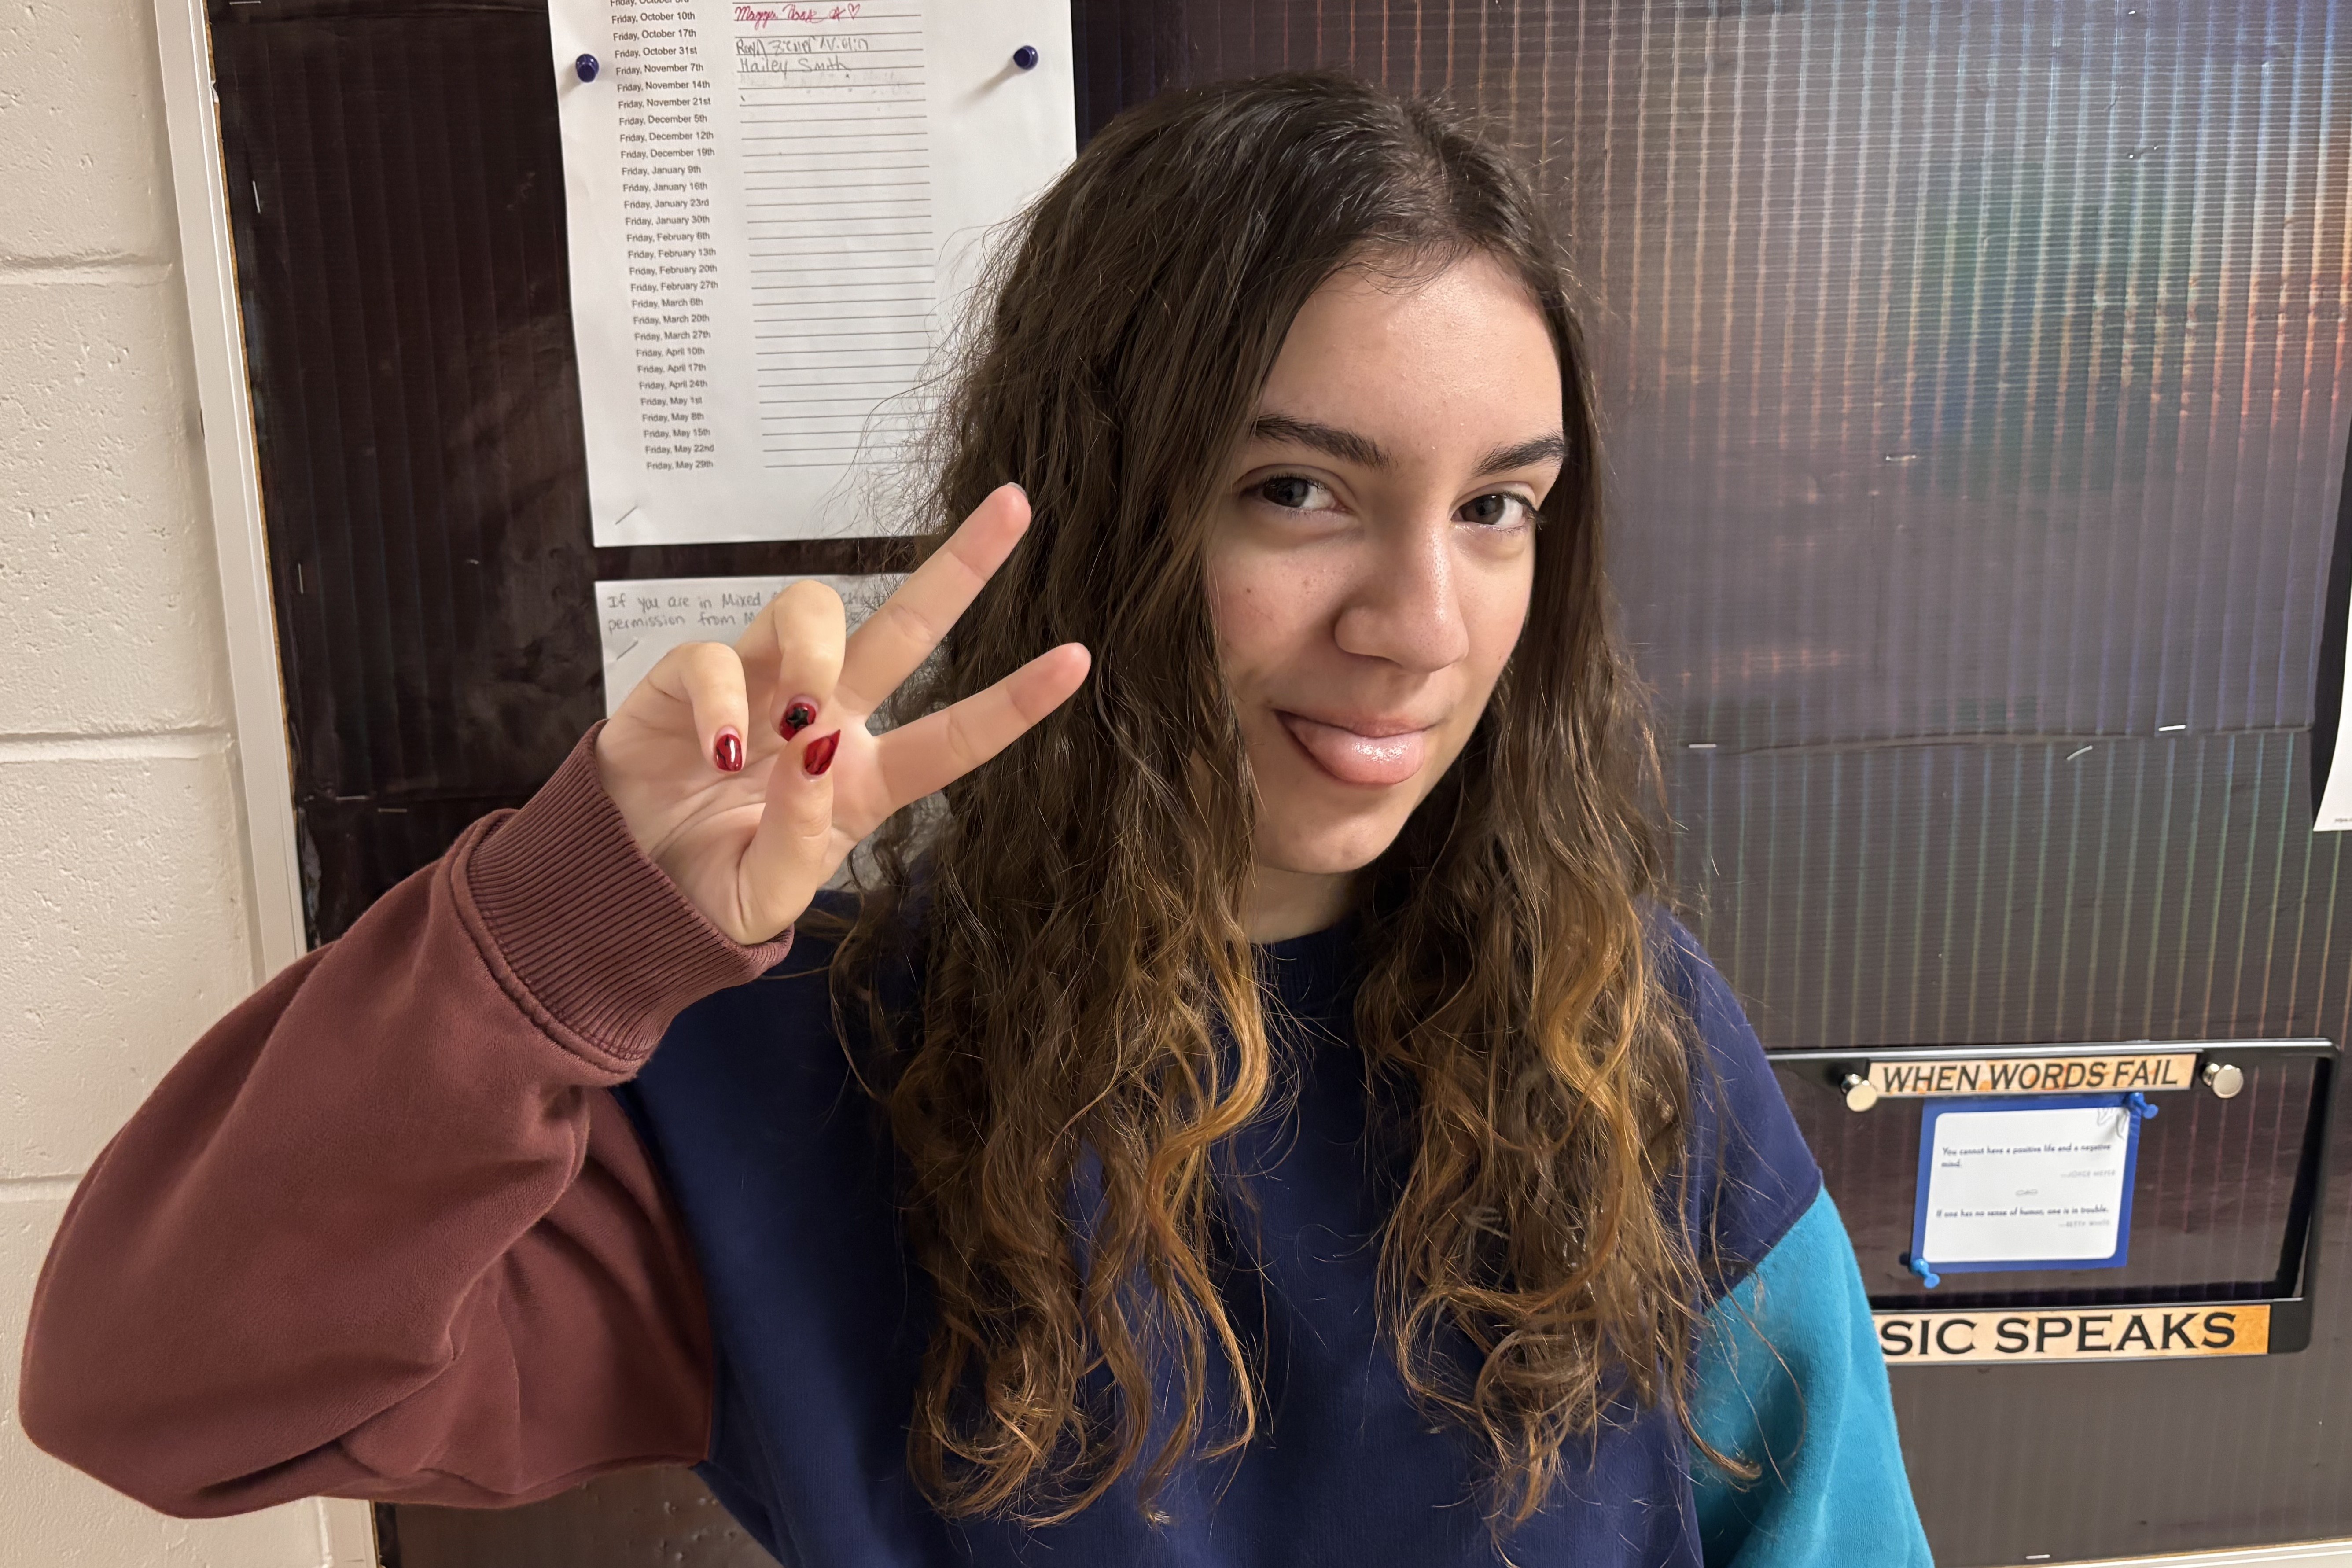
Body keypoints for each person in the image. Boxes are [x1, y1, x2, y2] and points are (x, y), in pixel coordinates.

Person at [20, 73, 1929, 1567]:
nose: (1421, 625)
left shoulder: (1623, 1039)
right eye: (1296, 490)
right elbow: (162, 1393)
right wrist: (566, 929)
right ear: (1104, 505)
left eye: (1497, 507)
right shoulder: (789, 1079)